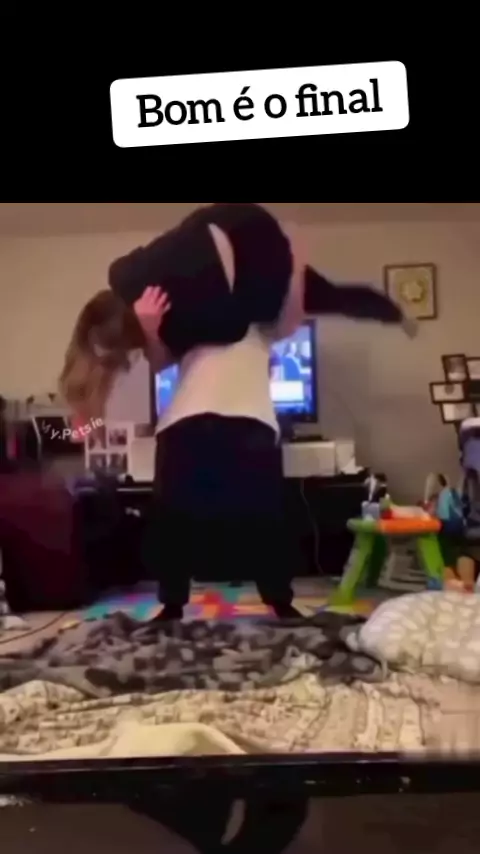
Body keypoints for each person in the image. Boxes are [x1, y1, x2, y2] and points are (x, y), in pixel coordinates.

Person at [136, 287, 300, 621]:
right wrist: (148, 329)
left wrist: (295, 262)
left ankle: (280, 601)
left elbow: (293, 315)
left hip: (249, 419)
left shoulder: (262, 311)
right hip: (185, 419)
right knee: (173, 518)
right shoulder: (190, 313)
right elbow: (158, 362)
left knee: (267, 518)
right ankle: (172, 604)